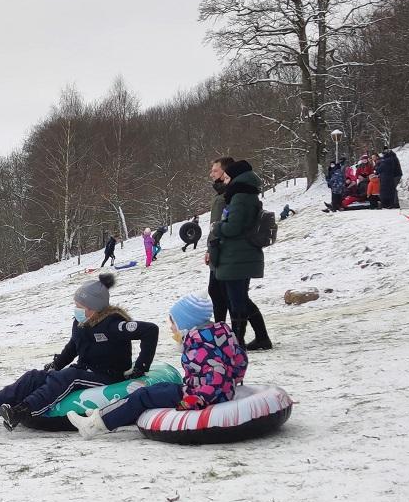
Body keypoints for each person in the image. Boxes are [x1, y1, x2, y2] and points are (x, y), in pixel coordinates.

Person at [0, 272, 158, 431]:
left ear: (93, 308)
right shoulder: (80, 323)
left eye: (79, 306)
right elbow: (72, 347)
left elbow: (150, 330)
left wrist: (141, 366)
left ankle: (24, 411)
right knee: (35, 376)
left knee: (70, 376)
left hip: (108, 376)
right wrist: (56, 365)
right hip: (85, 370)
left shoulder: (112, 324)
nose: (75, 309)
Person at [67, 292, 248, 437]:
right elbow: (240, 361)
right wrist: (233, 382)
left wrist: (197, 398)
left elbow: (217, 374)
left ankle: (93, 425)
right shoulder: (219, 335)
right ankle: (104, 412)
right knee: (157, 389)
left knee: (143, 396)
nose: (171, 328)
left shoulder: (200, 344)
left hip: (200, 395)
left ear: (186, 324)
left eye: (174, 324)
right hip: (207, 390)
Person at [206, 157, 271, 349]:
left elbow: (233, 226)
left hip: (236, 255)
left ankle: (236, 342)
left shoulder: (240, 196)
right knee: (236, 298)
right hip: (236, 255)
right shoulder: (242, 195)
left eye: (224, 175)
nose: (222, 180)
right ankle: (250, 338)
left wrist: (217, 228)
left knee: (235, 299)